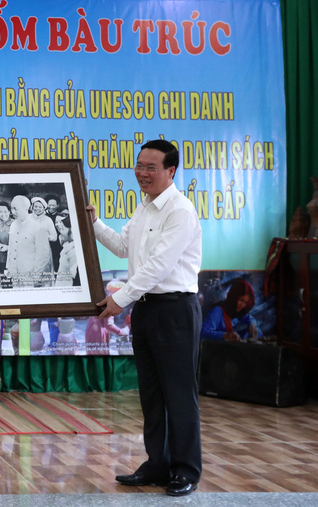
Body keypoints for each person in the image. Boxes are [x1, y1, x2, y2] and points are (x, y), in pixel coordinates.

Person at [87, 139, 202, 497]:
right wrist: (93, 223)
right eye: (139, 166)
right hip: (148, 308)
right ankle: (158, 463)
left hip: (176, 310)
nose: (142, 173)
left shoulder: (179, 211)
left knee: (179, 395)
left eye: (151, 167)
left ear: (171, 171)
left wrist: (119, 300)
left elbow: (158, 266)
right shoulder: (145, 207)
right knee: (152, 394)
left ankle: (186, 470)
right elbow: (124, 248)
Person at [6, 195, 53, 287]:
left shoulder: (38, 228)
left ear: (26, 208)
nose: (13, 212)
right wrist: (9, 268)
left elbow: (43, 256)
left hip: (30, 276)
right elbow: (11, 249)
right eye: (11, 208)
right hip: (15, 274)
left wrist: (36, 278)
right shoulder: (13, 225)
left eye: (15, 209)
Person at [54, 215, 80, 287]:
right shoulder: (67, 247)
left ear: (71, 230)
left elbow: (74, 276)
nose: (61, 234)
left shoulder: (73, 252)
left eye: (63, 230)